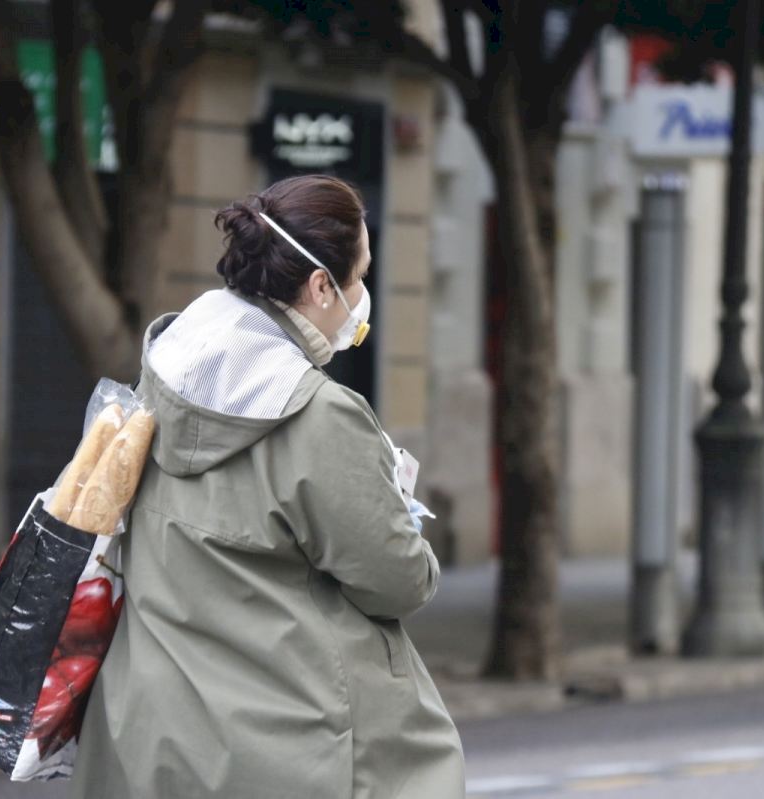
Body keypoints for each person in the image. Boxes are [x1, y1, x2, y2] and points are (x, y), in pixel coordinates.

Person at [71, 174, 465, 798]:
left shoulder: (163, 377)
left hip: (149, 740)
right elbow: (399, 581)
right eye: (359, 276)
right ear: (321, 286)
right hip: (292, 747)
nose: (362, 295)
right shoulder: (321, 416)